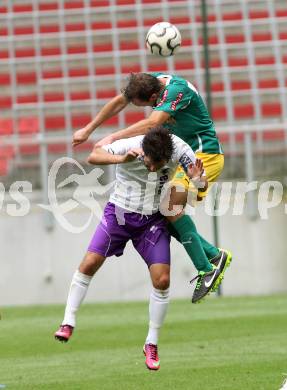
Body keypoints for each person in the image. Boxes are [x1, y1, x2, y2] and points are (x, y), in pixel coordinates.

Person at [55, 127, 230, 370]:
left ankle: (151, 343)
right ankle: (68, 322)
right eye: (149, 163)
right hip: (118, 215)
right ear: (144, 152)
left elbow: (200, 188)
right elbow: (93, 156)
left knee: (162, 281)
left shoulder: (180, 149)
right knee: (89, 263)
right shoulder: (130, 145)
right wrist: (121, 159)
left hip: (152, 221)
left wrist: (198, 180)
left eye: (157, 165)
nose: (152, 169)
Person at [72, 72, 231, 296]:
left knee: (168, 207)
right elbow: (120, 101)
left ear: (154, 96)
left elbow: (152, 123)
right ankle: (213, 255)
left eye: (140, 104)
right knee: (162, 213)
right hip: (180, 155)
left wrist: (113, 138)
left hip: (202, 155)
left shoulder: (176, 91)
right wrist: (89, 129)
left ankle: (207, 268)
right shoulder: (151, 81)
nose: (137, 106)